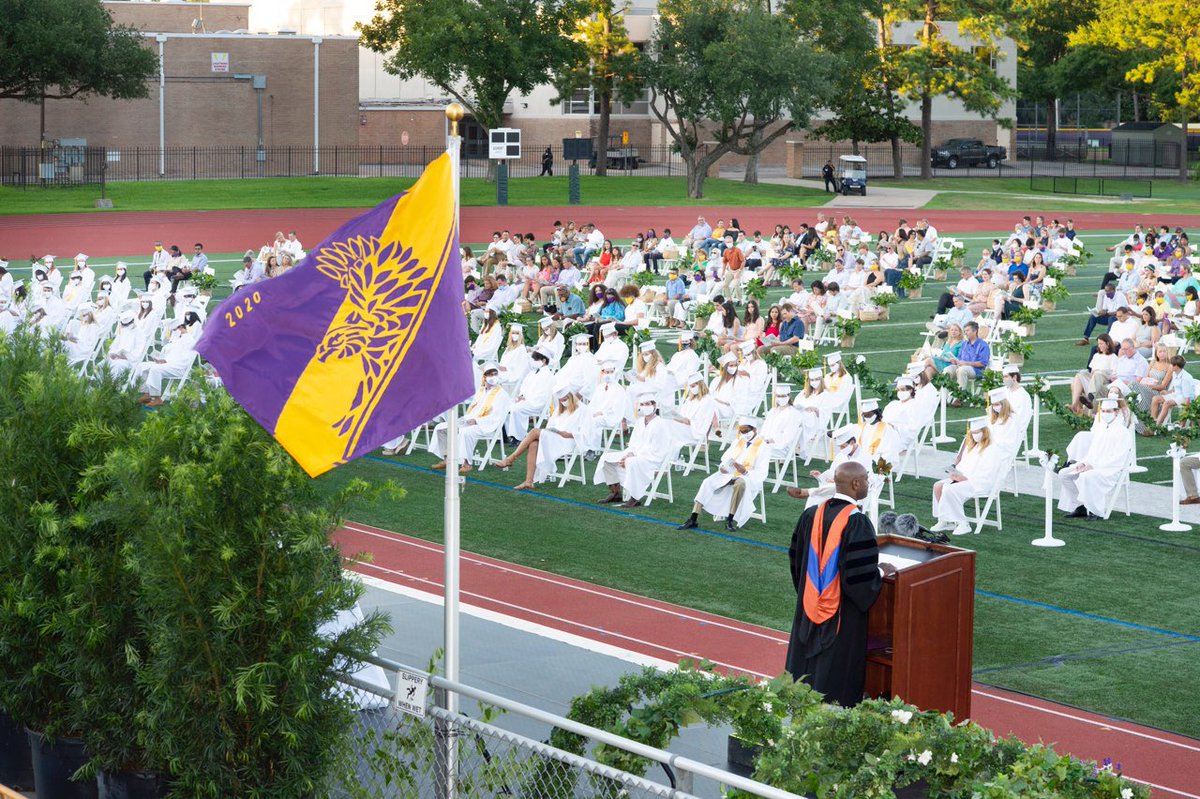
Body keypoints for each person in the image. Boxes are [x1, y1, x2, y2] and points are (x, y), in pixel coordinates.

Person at [786, 460, 891, 706]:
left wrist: (810, 592)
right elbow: (859, 577)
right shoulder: (857, 522)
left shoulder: (811, 514)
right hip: (842, 611)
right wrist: (880, 572)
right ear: (855, 484)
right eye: (865, 479)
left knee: (804, 672)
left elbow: (796, 560)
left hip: (809, 605)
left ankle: (798, 701)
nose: (867, 483)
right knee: (835, 675)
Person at [678, 416, 771, 532]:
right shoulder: (738, 441)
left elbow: (762, 472)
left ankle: (730, 520)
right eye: (741, 431)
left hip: (748, 477)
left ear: (754, 429)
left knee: (740, 483)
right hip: (730, 474)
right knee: (707, 482)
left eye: (746, 430)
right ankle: (693, 518)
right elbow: (726, 458)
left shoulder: (763, 447)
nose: (744, 433)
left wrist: (745, 472)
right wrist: (723, 467)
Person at [594, 390, 675, 507]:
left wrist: (632, 455)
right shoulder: (640, 422)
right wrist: (628, 453)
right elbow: (633, 443)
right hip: (635, 454)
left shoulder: (661, 424)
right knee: (606, 458)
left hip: (652, 459)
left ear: (654, 405)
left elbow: (658, 449)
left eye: (647, 404)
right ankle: (615, 492)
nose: (645, 407)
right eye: (642, 404)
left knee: (631, 462)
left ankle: (635, 497)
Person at [1058, 398, 1135, 519]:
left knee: (1086, 476)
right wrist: (1083, 463)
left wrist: (1093, 466)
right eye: (1103, 411)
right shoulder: (1101, 429)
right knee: (1064, 474)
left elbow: (1117, 458)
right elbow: (1093, 452)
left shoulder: (1122, 432)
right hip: (1093, 465)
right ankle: (1081, 506)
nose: (1105, 414)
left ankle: (1096, 511)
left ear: (1116, 412)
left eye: (1108, 411)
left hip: (1110, 469)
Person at [429, 364, 512, 473]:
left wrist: (477, 421)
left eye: (495, 374)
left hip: (487, 425)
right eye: (490, 374)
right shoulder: (481, 391)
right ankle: (448, 459)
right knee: (441, 427)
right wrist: (466, 419)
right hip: (470, 421)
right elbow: (473, 410)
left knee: (466, 432)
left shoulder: (501, 394)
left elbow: (497, 417)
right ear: (485, 377)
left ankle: (467, 464)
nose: (493, 377)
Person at [498, 385, 584, 489]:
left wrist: (568, 434)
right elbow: (551, 425)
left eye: (565, 399)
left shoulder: (582, 409)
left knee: (534, 432)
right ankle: (529, 481)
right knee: (534, 444)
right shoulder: (559, 409)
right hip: (555, 438)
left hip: (569, 441)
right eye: (561, 400)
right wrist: (553, 431)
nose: (563, 402)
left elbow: (586, 432)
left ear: (571, 397)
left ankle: (511, 458)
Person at [930, 418, 1007, 536]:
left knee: (949, 489)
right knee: (938, 486)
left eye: (977, 432)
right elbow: (963, 465)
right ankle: (945, 520)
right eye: (973, 433)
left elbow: (989, 473)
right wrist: (955, 474)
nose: (975, 435)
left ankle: (963, 523)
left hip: (980, 482)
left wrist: (966, 479)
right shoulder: (971, 447)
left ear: (985, 431)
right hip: (964, 479)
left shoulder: (992, 448)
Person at [504, 345, 556, 442]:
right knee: (507, 405)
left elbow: (544, 394)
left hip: (538, 403)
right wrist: (521, 396)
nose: (534, 361)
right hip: (527, 400)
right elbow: (524, 387)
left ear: (544, 360)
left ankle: (518, 437)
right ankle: (506, 435)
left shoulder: (548, 375)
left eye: (536, 359)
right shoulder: (532, 373)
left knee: (517, 409)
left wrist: (527, 399)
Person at [943, 321, 989, 400]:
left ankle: (958, 398)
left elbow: (983, 363)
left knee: (962, 370)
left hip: (976, 370)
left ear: (975, 331)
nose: (965, 333)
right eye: (964, 331)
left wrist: (966, 363)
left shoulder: (983, 345)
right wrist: (955, 361)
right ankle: (944, 397)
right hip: (961, 366)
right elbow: (960, 358)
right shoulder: (965, 344)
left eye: (967, 330)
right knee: (947, 370)